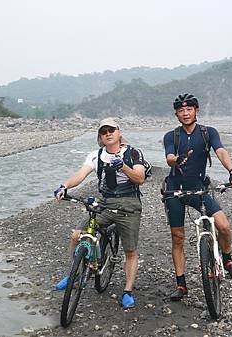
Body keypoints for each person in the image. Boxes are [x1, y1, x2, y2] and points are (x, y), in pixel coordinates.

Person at [53, 118, 146, 309]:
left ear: (119, 133)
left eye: (112, 130)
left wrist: (123, 166)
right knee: (77, 234)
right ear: (100, 137)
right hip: (104, 202)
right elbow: (81, 174)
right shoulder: (96, 156)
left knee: (130, 250)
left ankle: (127, 291)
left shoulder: (133, 153)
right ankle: (74, 275)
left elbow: (140, 178)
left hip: (129, 204)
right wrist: (64, 186)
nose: (108, 133)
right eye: (104, 132)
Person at [162, 93, 232, 301]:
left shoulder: (208, 133)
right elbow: (170, 157)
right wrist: (176, 160)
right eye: (181, 110)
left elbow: (221, 151)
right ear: (176, 114)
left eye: (189, 109)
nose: (185, 113)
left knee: (223, 226)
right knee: (177, 237)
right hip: (175, 191)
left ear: (196, 111)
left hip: (199, 189)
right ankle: (181, 285)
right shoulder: (172, 136)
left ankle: (227, 259)